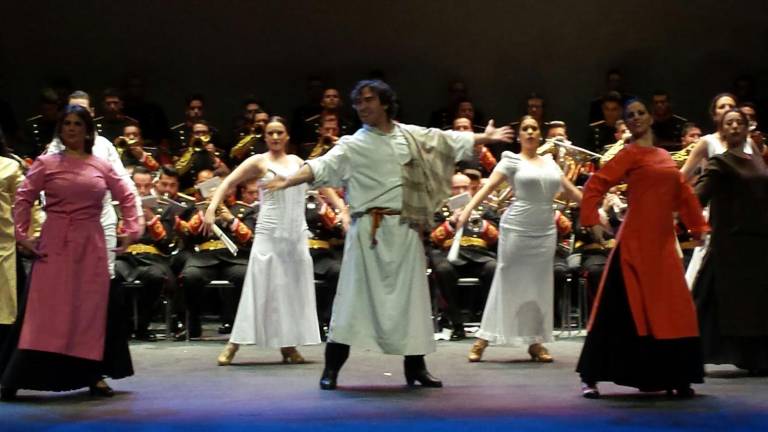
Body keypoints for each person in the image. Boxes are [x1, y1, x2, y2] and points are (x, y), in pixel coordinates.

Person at [266, 79, 513, 390]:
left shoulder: (410, 136)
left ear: (384, 102)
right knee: (351, 300)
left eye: (368, 100)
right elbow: (320, 167)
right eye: (358, 103)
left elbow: (445, 140)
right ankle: (331, 370)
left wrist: (484, 137)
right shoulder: (352, 144)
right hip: (367, 231)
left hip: (404, 229)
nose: (362, 107)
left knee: (411, 302)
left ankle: (416, 369)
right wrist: (287, 181)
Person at [0, 105, 140, 400]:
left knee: (87, 310)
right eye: (66, 124)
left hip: (91, 243)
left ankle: (93, 375)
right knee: (45, 310)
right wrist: (23, 237)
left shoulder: (100, 165)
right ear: (60, 130)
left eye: (77, 124)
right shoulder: (46, 163)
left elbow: (127, 195)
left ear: (88, 130)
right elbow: (23, 198)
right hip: (55, 241)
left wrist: (131, 230)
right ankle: (16, 377)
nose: (71, 129)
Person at [576, 99, 708, 399]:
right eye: (630, 115)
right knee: (617, 310)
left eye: (640, 113)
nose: (635, 118)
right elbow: (596, 183)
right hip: (634, 243)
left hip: (662, 243)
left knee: (671, 310)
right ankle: (590, 376)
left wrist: (697, 227)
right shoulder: (628, 154)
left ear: (650, 118)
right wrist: (590, 220)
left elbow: (683, 192)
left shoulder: (663, 155)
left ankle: (676, 375)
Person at [457, 116, 582, 362]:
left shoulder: (550, 163)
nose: (530, 132)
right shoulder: (511, 160)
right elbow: (487, 189)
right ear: (520, 135)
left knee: (539, 284)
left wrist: (595, 207)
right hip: (517, 227)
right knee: (507, 280)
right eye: (525, 129)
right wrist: (468, 210)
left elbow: (571, 191)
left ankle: (536, 341)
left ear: (539, 134)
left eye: (534, 128)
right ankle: (483, 338)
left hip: (545, 230)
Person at [204, 116, 321, 365]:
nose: (276, 137)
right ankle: (233, 344)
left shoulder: (297, 162)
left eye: (280, 132)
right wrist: (212, 208)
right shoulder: (259, 161)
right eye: (271, 133)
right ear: (265, 137)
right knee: (260, 285)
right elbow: (228, 182)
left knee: (290, 288)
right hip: (270, 231)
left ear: (287, 136)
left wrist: (340, 206)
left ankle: (288, 345)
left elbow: (320, 181)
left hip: (294, 233)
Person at [692, 109, 768, 375]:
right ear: (721, 131)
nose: (735, 126)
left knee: (755, 304)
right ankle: (685, 355)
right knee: (712, 299)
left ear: (747, 127)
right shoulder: (720, 162)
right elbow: (697, 196)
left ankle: (755, 357)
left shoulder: (756, 158)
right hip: (732, 246)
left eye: (739, 122)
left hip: (757, 244)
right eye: (729, 123)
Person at [0, 130, 23, 346]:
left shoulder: (10, 166)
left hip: (3, 246)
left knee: (6, 308)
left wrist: (32, 235)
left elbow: (25, 203)